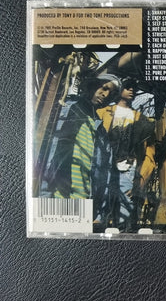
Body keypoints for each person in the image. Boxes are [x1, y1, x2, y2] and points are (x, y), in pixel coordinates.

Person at [44, 73, 121, 207]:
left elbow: (102, 171)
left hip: (82, 201)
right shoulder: (66, 107)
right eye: (104, 88)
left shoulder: (100, 130)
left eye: (111, 94)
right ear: (92, 86)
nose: (106, 95)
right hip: (56, 195)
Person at [97, 78, 156, 231]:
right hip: (104, 169)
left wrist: (140, 182)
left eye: (134, 88)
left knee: (125, 217)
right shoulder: (102, 113)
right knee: (98, 214)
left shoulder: (142, 119)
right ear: (119, 90)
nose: (132, 90)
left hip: (128, 171)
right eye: (128, 87)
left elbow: (150, 155)